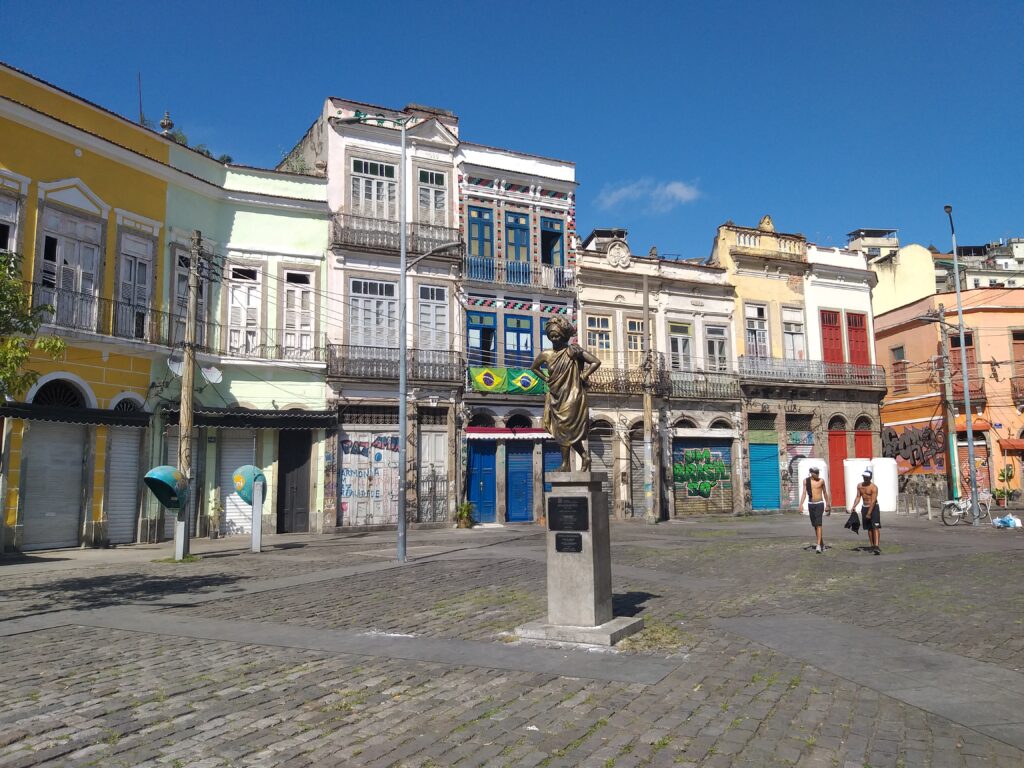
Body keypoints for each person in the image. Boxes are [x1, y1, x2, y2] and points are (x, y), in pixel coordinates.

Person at [530, 316, 602, 472]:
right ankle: (583, 457)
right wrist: (547, 379)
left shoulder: (573, 350)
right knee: (563, 430)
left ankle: (566, 464)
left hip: (572, 395)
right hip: (556, 395)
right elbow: (534, 368)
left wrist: (584, 375)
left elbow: (596, 362)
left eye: (557, 335)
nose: (554, 338)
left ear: (564, 335)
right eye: (551, 336)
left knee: (564, 427)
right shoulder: (546, 354)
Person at [798, 466, 830, 553]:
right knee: (815, 525)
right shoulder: (806, 481)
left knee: (819, 524)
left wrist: (827, 504)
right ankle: (822, 544)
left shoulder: (821, 481)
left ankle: (818, 545)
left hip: (819, 504)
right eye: (816, 473)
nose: (817, 474)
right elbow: (804, 493)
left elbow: (825, 493)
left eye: (818, 472)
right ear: (811, 473)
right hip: (811, 504)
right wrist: (800, 505)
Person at [850, 468, 881, 554]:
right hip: (865, 507)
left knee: (875, 527)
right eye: (864, 477)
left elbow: (874, 500)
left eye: (867, 477)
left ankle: (877, 546)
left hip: (873, 507)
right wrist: (854, 506)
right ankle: (872, 546)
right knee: (869, 528)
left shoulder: (873, 487)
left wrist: (869, 512)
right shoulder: (859, 486)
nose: (865, 478)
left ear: (870, 477)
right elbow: (858, 496)